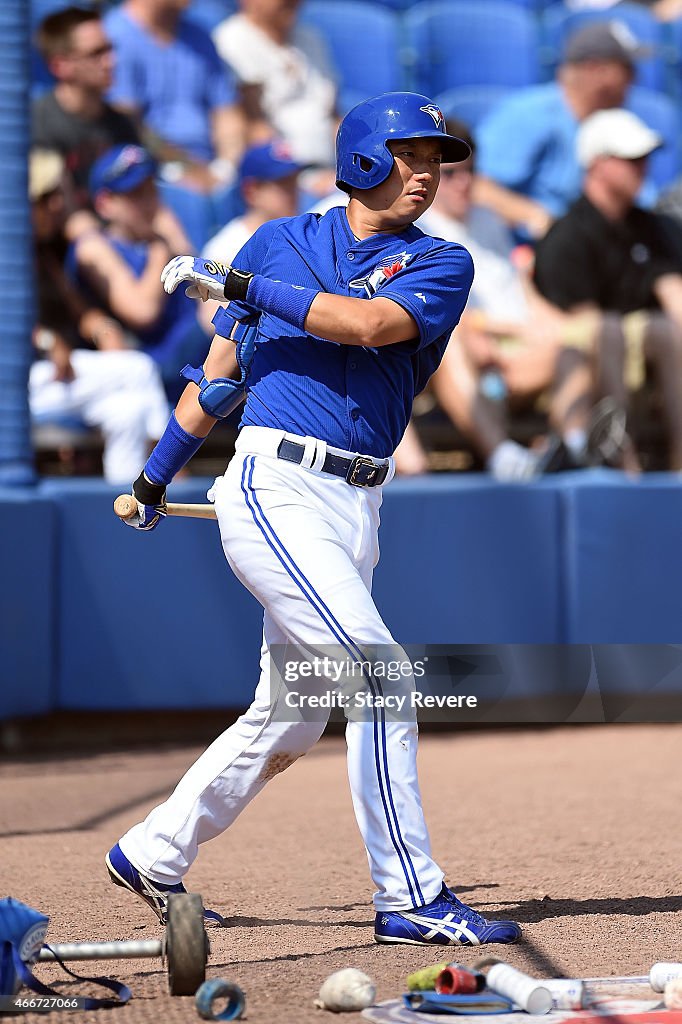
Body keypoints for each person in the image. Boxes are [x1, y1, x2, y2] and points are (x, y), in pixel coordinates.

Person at [104, 92, 522, 948]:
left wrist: (246, 287)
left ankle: (153, 851)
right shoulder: (280, 239)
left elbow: (367, 325)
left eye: (437, 160)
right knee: (383, 677)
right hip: (275, 485)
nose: (427, 173)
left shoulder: (442, 262)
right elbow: (217, 377)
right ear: (365, 155)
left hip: (357, 500)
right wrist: (153, 478)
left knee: (293, 708)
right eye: (411, 154)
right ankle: (408, 895)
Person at [403, 121, 566, 481]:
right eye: (454, 173)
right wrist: (516, 330)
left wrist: (554, 329)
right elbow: (442, 311)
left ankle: (575, 447)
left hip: (516, 347)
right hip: (474, 343)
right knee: (456, 343)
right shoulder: (419, 229)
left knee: (586, 341)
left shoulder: (489, 220)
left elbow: (521, 288)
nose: (465, 183)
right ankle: (505, 458)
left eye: (472, 172)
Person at [533, 108, 682, 471]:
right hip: (571, 351)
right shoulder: (566, 237)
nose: (642, 167)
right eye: (631, 159)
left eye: (644, 158)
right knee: (611, 329)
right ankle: (620, 457)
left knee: (665, 331)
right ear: (596, 163)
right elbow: (579, 320)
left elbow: (670, 288)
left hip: (635, 338)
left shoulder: (655, 227)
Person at [29, 149, 170, 484]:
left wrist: (102, 327)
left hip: (55, 379)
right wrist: (48, 340)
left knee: (129, 411)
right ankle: (171, 469)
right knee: (138, 368)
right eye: (44, 197)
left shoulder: (49, 249)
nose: (56, 204)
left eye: (56, 195)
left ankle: (128, 506)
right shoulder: (10, 248)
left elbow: (81, 311)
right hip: (21, 381)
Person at [475, 20, 645, 240]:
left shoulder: (617, 123)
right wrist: (537, 217)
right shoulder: (529, 113)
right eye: (627, 70)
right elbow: (477, 187)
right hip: (531, 254)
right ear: (595, 69)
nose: (634, 80)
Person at [72, 144, 210, 401]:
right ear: (105, 203)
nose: (149, 203)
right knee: (224, 319)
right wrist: (162, 247)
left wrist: (181, 247)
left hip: (188, 363)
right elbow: (142, 312)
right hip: (145, 369)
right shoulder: (95, 246)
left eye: (151, 190)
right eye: (136, 194)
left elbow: (206, 294)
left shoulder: (163, 239)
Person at [104, 0, 245, 192]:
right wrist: (190, 167)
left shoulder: (200, 37)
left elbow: (227, 113)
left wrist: (227, 167)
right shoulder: (113, 37)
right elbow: (127, 123)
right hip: (153, 172)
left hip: (211, 168)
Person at [213, 0, 338, 189]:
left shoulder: (311, 37)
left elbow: (334, 115)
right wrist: (304, 177)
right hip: (281, 181)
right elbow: (254, 130)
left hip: (330, 171)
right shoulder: (231, 40)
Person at [33, 8, 140, 200]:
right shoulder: (37, 124)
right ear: (60, 66)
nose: (111, 62)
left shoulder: (123, 123)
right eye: (96, 53)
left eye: (110, 49)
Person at [198, 139, 301, 336]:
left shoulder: (308, 231)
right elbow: (211, 322)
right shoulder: (225, 247)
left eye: (293, 181)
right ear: (251, 191)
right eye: (282, 184)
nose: (293, 191)